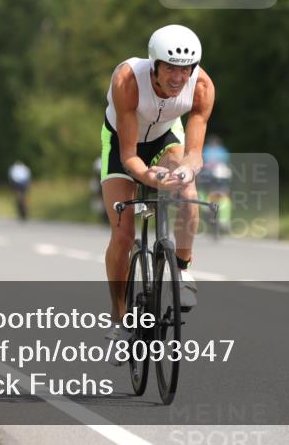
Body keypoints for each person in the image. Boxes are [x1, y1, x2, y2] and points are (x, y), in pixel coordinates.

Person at [100, 24, 215, 347]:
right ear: (154, 65)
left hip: (166, 138)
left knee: (188, 192)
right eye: (170, 69)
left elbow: (194, 154)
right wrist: (150, 178)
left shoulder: (203, 87)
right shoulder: (127, 80)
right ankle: (119, 315)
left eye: (185, 70)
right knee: (123, 233)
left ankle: (182, 267)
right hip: (124, 143)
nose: (179, 78)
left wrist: (185, 173)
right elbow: (129, 158)